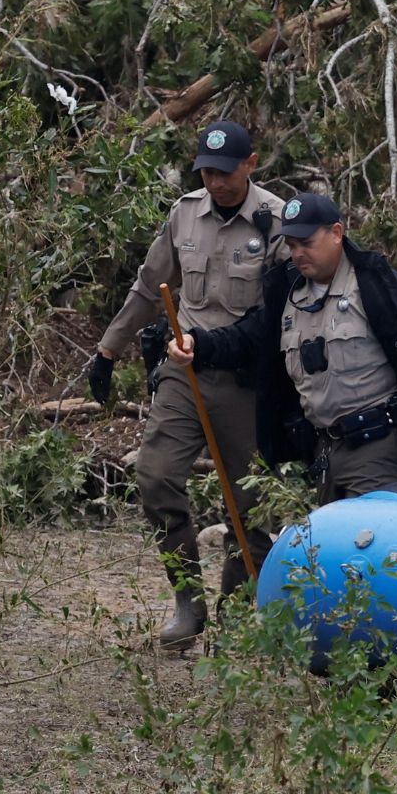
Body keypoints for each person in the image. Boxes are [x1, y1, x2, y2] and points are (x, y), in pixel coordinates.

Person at [89, 121, 284, 650]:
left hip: (245, 381)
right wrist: (108, 349)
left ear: (251, 163)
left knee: (251, 505)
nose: (215, 181)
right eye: (206, 171)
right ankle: (187, 602)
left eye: (224, 172)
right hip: (184, 370)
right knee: (154, 477)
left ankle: (239, 613)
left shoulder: (275, 222)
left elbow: (285, 311)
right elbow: (149, 287)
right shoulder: (184, 214)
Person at [167, 193, 397, 508]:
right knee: (333, 549)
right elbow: (248, 337)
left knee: (367, 543)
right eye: (291, 245)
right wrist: (197, 341)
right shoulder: (286, 292)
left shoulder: (375, 285)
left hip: (379, 444)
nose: (298, 253)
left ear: (336, 233)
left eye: (306, 242)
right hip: (326, 452)